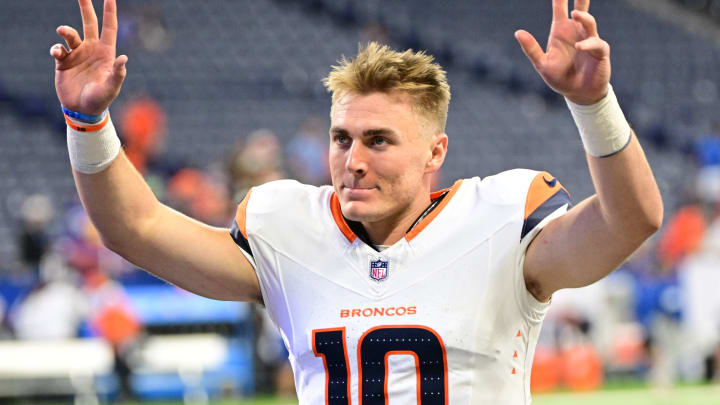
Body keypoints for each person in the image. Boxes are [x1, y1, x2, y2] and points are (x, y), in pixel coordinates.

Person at [50, 0, 662, 403]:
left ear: (435, 152)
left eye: (379, 140)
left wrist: (593, 106)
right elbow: (133, 226)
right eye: (342, 138)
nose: (354, 159)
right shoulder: (288, 228)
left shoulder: (500, 219)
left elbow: (631, 220)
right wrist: (86, 122)